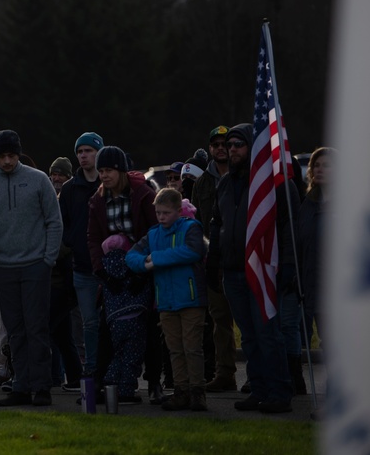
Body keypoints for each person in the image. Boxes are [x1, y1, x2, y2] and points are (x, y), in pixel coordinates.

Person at [211, 123, 298, 413]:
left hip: (263, 270)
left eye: (238, 144)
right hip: (233, 271)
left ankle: (279, 391)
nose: (231, 150)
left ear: (253, 147)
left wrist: (286, 265)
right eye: (229, 145)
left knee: (268, 334)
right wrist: (214, 260)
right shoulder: (224, 183)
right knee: (248, 336)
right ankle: (258, 389)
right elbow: (217, 223)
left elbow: (287, 225)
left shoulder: (272, 183)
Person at [0, 130, 62, 407]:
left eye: (11, 155)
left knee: (37, 327)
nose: (7, 161)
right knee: (15, 330)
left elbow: (53, 219)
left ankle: (42, 386)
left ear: (18, 154)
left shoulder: (38, 180)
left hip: (36, 265)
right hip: (3, 268)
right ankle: (21, 385)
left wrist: (48, 258)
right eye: (1, 156)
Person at [87, 145, 160, 403]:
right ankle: (102, 383)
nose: (104, 176)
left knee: (149, 325)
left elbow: (155, 230)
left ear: (121, 171)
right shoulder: (98, 200)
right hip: (113, 269)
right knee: (108, 326)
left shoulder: (143, 194)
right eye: (101, 171)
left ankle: (154, 384)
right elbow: (94, 238)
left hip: (142, 264)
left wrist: (144, 267)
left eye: (109, 170)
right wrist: (101, 271)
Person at [127, 188, 209, 411]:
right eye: (158, 212)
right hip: (166, 301)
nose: (161, 217)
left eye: (166, 213)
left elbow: (193, 251)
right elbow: (131, 256)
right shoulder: (153, 234)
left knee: (192, 347)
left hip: (190, 299)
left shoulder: (191, 227)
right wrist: (145, 263)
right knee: (174, 348)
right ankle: (181, 391)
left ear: (178, 211)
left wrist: (157, 259)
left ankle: (197, 392)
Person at [192, 125, 238, 393]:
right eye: (216, 144)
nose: (221, 148)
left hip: (242, 258)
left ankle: (257, 376)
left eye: (226, 143)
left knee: (248, 319)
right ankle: (225, 374)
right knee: (220, 321)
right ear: (210, 149)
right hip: (214, 259)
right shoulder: (202, 183)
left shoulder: (244, 175)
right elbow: (197, 223)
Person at [58, 131, 104, 378]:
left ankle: (113, 372)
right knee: (89, 323)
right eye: (80, 151)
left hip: (108, 266)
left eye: (89, 151)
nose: (83, 156)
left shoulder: (108, 185)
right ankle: (92, 370)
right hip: (82, 267)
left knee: (112, 322)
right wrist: (71, 245)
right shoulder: (69, 189)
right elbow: (63, 224)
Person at [100, 233, 152, 404]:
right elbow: (142, 291)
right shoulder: (132, 267)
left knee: (118, 354)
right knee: (132, 356)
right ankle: (126, 391)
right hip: (135, 317)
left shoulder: (106, 271)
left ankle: (111, 383)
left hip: (114, 321)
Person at [297, 147, 333, 354]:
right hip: (309, 284)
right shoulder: (307, 204)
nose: (319, 169)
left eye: (326, 165)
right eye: (316, 165)